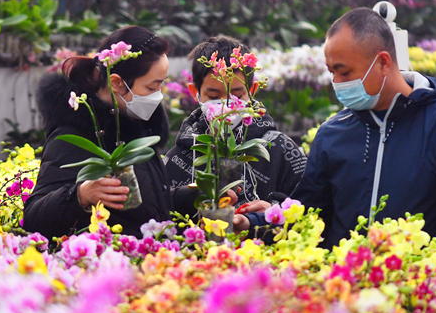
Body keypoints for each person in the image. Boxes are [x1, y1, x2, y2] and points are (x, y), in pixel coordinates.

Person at [236, 8, 436, 262]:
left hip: (422, 291)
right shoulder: (332, 134)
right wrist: (252, 222)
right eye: (331, 72)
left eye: (344, 72)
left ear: (383, 62)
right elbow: (306, 213)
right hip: (345, 290)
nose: (337, 82)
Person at [23, 26, 173, 239]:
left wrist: (194, 196)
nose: (158, 96)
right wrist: (80, 196)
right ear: (116, 83)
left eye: (161, 85)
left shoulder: (136, 125)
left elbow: (147, 204)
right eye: (151, 88)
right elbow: (34, 218)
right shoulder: (75, 135)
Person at [164, 36, 307, 211]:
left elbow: (308, 205)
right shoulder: (181, 155)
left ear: (252, 90)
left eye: (237, 96)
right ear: (196, 92)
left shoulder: (280, 150)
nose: (226, 106)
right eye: (214, 97)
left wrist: (270, 212)